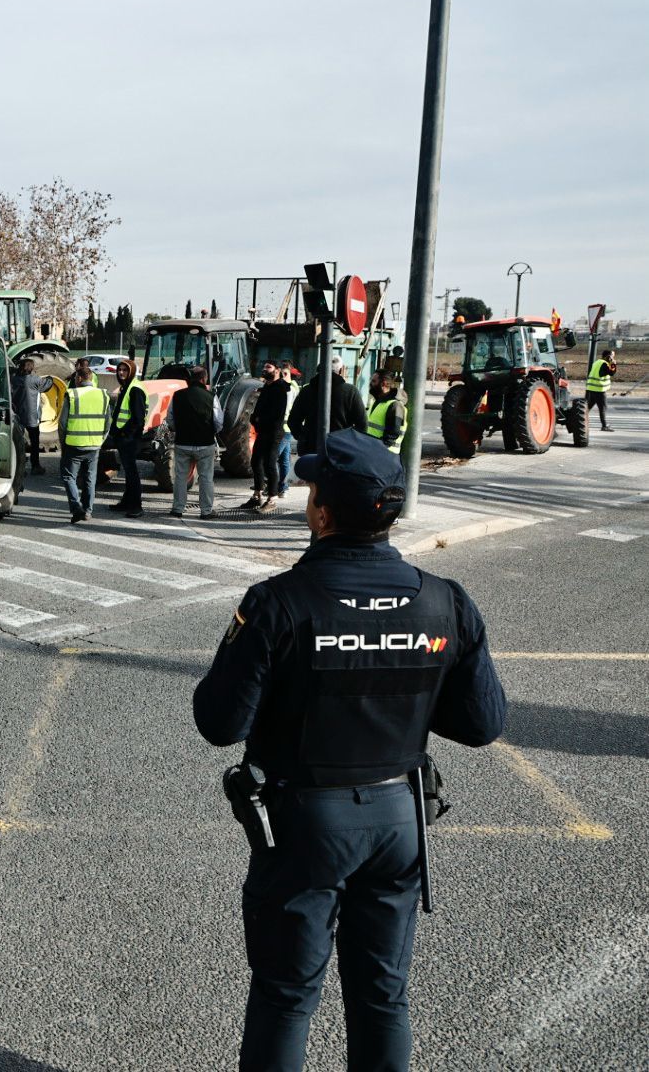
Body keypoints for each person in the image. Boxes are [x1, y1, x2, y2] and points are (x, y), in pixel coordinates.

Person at [193, 429, 507, 1072]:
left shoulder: (278, 603)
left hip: (305, 825)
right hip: (400, 820)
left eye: (311, 490)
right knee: (383, 997)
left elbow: (220, 723)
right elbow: (482, 724)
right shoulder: (446, 600)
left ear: (323, 514)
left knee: (286, 997)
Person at [58, 362, 111, 523]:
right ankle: (87, 511)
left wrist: (63, 444)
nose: (74, 380)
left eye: (75, 378)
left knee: (68, 477)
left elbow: (62, 424)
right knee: (90, 479)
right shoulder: (103, 395)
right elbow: (108, 422)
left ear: (80, 378)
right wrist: (101, 440)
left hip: (74, 444)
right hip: (94, 445)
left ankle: (77, 508)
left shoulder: (72, 395)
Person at [286, 355, 366, 455]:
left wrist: (304, 438)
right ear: (341, 370)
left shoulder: (306, 391)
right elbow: (362, 425)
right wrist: (350, 444)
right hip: (340, 450)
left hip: (311, 450)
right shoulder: (350, 391)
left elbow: (293, 421)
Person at [169, 364, 219, 519]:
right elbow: (219, 421)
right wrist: (210, 432)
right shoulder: (211, 396)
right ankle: (206, 511)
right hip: (205, 444)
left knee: (181, 477)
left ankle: (177, 509)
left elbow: (170, 419)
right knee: (205, 478)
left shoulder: (177, 395)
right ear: (204, 379)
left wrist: (179, 430)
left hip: (182, 443)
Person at [244, 362, 293, 512]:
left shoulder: (280, 389)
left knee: (270, 464)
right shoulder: (267, 386)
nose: (264, 369)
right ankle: (257, 495)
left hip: (274, 431)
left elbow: (276, 413)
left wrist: (260, 419)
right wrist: (254, 418)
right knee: (256, 461)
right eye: (264, 367)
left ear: (277, 371)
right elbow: (259, 407)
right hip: (263, 431)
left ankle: (272, 498)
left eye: (268, 367)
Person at [107, 359, 147, 518]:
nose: (121, 373)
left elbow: (138, 419)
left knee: (132, 473)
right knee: (128, 471)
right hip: (124, 438)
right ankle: (127, 502)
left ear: (131, 371)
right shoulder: (127, 387)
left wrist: (124, 434)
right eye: (119, 370)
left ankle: (136, 506)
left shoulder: (135, 389)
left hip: (129, 439)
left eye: (124, 370)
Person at [12, 357, 51, 476]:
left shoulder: (13, 379)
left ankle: (19, 468)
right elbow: (46, 385)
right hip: (32, 417)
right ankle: (35, 466)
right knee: (34, 443)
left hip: (17, 416)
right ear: (32, 368)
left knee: (18, 443)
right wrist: (50, 378)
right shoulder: (35, 379)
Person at [365, 370, 407, 455]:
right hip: (374, 451)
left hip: (386, 454)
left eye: (374, 381)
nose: (370, 384)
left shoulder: (395, 405)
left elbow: (392, 435)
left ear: (383, 383)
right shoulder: (376, 402)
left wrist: (378, 449)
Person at [277, 360, 299, 494]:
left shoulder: (290, 388)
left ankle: (273, 486)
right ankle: (283, 487)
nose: (283, 375)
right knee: (284, 459)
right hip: (286, 428)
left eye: (285, 373)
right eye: (281, 373)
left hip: (285, 428)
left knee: (273, 457)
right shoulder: (290, 386)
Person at [587, 348, 617, 432]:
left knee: (589, 406)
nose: (613, 358)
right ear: (608, 357)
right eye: (612, 356)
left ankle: (579, 420)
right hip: (599, 389)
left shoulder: (597, 362)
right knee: (603, 408)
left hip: (592, 388)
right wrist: (613, 364)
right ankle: (604, 426)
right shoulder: (604, 364)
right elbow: (612, 373)